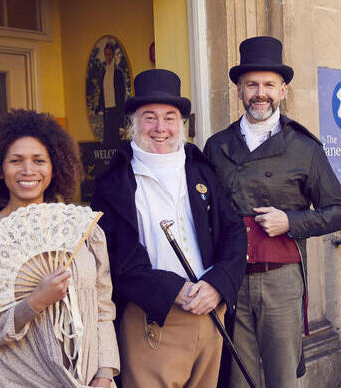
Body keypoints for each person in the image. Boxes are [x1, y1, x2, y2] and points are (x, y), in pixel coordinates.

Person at [203, 36, 341, 388]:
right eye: (252, 84)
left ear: (283, 90)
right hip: (230, 278)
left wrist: (291, 221)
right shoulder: (216, 146)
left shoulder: (304, 148)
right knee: (238, 378)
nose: (261, 92)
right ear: (239, 91)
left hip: (281, 280)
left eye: (269, 84)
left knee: (282, 378)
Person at [91, 69, 246, 388]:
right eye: (149, 117)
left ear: (182, 124)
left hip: (209, 313)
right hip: (153, 322)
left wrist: (217, 284)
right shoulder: (113, 184)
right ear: (133, 122)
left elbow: (233, 232)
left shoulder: (202, 169)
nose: (160, 128)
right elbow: (113, 261)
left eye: (170, 117)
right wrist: (171, 289)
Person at [0, 109, 120, 387]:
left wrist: (105, 373)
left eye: (39, 160)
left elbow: (103, 308)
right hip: (15, 379)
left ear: (54, 168)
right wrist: (33, 303)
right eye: (16, 161)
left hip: (87, 379)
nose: (28, 170)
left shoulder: (84, 234)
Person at [100, 41, 126, 146]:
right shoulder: (103, 72)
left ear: (113, 55)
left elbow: (121, 95)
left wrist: (121, 122)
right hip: (106, 111)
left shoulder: (118, 73)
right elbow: (102, 92)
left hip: (116, 110)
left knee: (115, 142)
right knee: (107, 141)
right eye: (106, 54)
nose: (108, 57)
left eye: (110, 54)